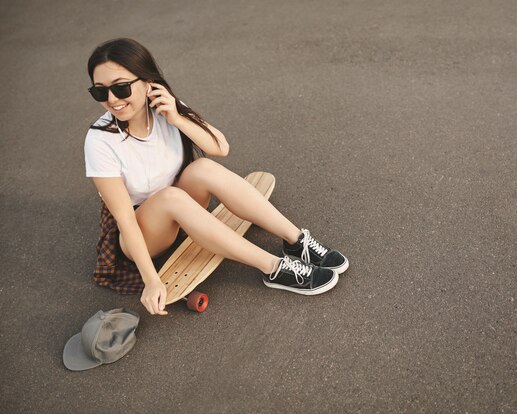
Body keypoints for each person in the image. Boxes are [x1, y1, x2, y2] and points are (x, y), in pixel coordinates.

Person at [84, 38, 349, 316]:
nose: (112, 100)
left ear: (148, 82)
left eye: (121, 87)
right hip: (144, 233)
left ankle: (296, 241)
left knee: (202, 169)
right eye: (100, 92)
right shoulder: (100, 141)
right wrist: (151, 280)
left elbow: (220, 148)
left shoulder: (164, 109)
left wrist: (176, 117)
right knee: (171, 197)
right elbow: (125, 220)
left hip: (182, 207)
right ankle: (273, 268)